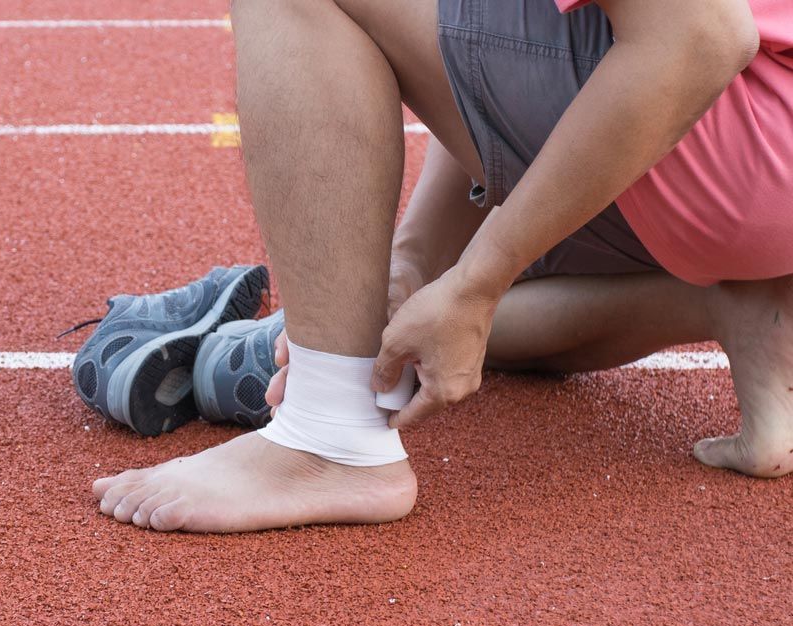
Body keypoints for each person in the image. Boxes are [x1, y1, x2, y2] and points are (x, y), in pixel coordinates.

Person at [83, 0, 792, 533]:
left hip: (733, 136)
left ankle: (329, 433)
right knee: (443, 335)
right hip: (769, 173)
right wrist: (415, 262)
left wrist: (479, 280)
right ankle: (734, 301)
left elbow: (702, 36)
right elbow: (510, 46)